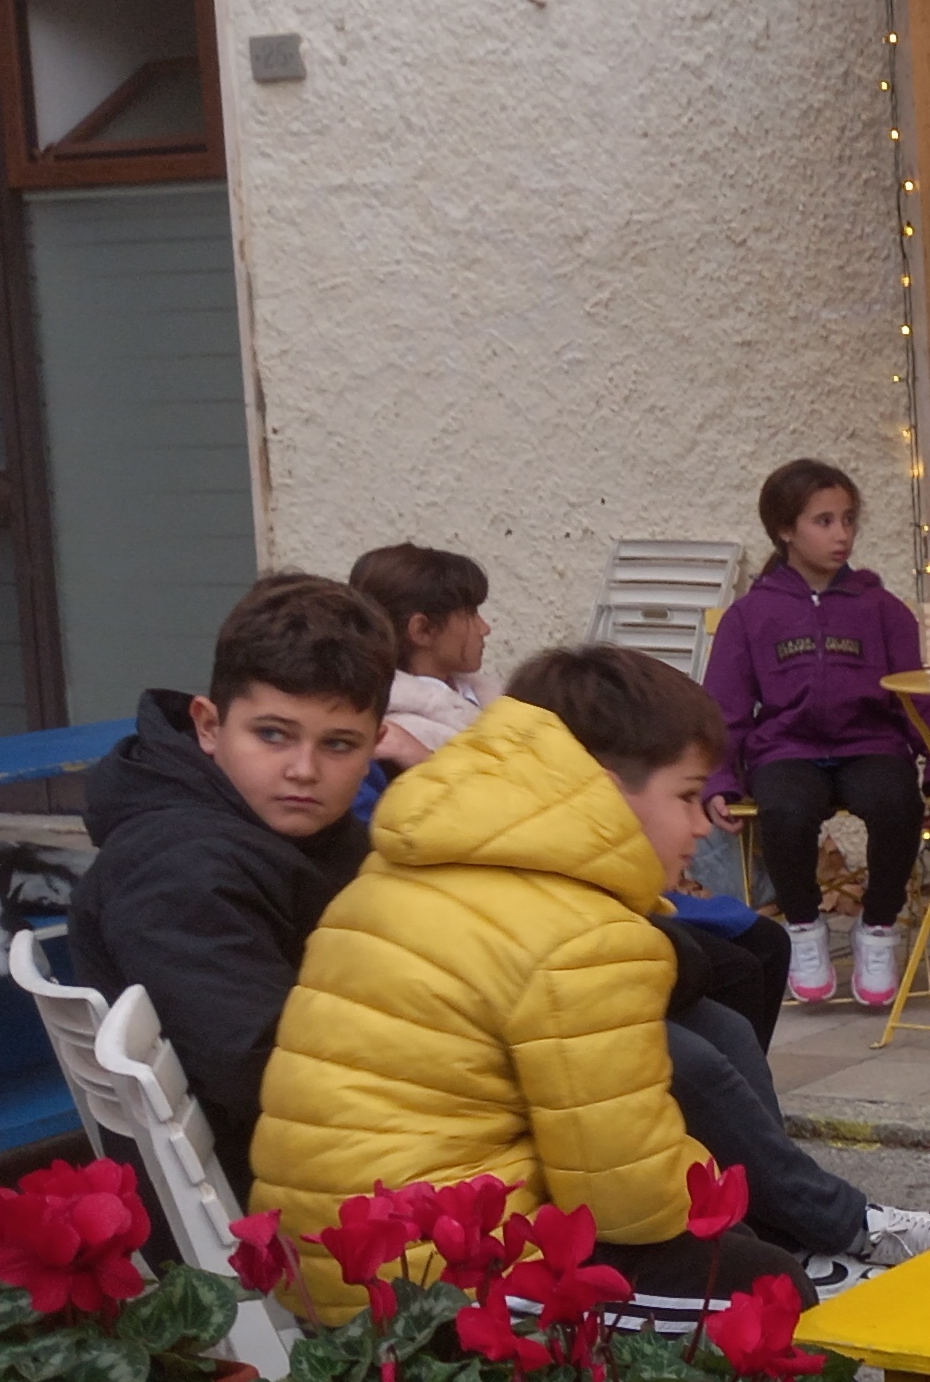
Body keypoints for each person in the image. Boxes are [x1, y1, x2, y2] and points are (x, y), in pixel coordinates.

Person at [255, 643, 809, 1325]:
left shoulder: (404, 870)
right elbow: (627, 1194)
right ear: (605, 790)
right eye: (688, 796)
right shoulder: (583, 937)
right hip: (441, 1289)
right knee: (769, 1290)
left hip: (328, 1261)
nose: (700, 825)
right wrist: (721, 1196)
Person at [65, 574, 390, 1184]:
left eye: (339, 744)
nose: (304, 769)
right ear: (208, 726)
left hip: (322, 1151)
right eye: (273, 734)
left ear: (378, 744)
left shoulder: (304, 834)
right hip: (272, 1193)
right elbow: (266, 1071)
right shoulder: (179, 870)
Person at [704, 459, 930, 1015]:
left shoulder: (881, 609)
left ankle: (878, 928)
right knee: (786, 809)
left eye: (848, 520)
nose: (841, 534)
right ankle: (803, 928)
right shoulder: (750, 615)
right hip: (787, 748)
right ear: (785, 530)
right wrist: (719, 776)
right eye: (823, 521)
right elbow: (724, 707)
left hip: (870, 744)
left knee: (895, 803)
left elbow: (920, 694)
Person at [347, 543, 493, 770]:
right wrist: (426, 761)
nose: (485, 628)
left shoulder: (484, 695)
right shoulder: (399, 737)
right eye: (470, 614)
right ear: (422, 630)